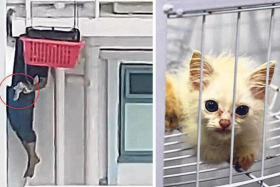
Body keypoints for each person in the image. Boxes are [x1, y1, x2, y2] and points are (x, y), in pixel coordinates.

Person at [7, 36, 49, 178]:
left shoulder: (41, 52)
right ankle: (32, 156)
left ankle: (32, 157)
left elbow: (43, 81)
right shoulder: (13, 43)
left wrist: (30, 88)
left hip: (22, 90)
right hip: (9, 84)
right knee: (14, 122)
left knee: (22, 125)